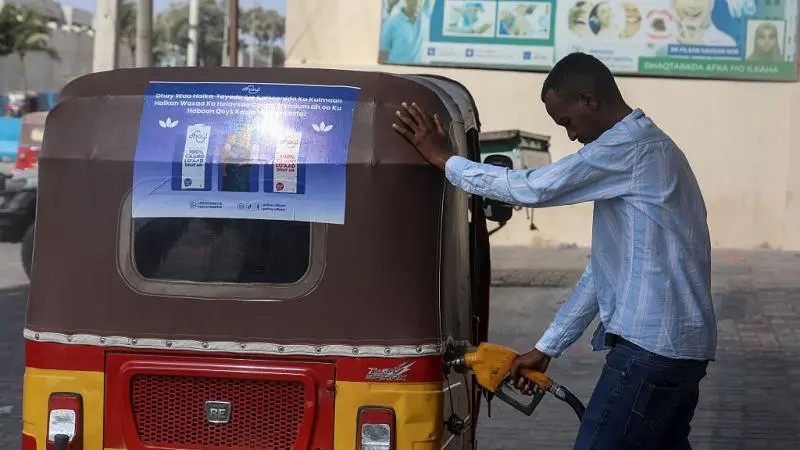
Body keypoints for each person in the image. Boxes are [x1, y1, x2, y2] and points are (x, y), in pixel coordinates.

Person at [392, 52, 716, 449]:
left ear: (589, 100)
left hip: (649, 351)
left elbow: (534, 188)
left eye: (567, 122)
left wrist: (445, 160)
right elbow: (602, 272)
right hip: (680, 351)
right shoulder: (655, 150)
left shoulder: (629, 148)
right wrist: (547, 347)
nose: (572, 136)